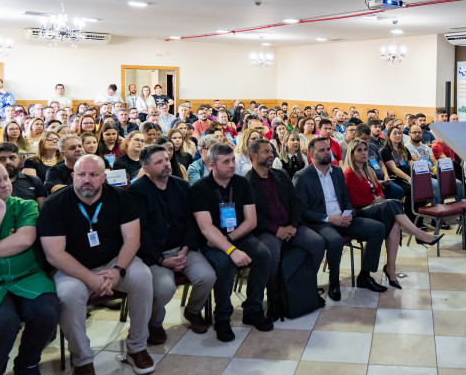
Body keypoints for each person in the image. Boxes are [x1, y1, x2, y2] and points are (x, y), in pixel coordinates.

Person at [38, 155, 155, 375]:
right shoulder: (55, 204)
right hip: (72, 267)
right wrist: (89, 279)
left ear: (104, 177)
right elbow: (54, 254)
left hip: (113, 261)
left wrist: (118, 270)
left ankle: (137, 347)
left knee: (142, 277)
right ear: (73, 177)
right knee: (69, 294)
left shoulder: (121, 198)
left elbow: (133, 239)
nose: (87, 180)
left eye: (93, 175)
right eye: (81, 175)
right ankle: (82, 359)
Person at [0, 162, 59, 375]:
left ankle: (27, 365)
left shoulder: (25, 205)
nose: (5, 184)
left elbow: (23, 240)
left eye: (5, 178)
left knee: (47, 312)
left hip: (26, 275)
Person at [129, 145, 215, 342]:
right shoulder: (136, 191)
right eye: (158, 162)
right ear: (146, 168)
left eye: (166, 160)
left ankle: (193, 311)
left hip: (183, 248)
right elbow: (139, 233)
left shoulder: (181, 186)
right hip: (155, 253)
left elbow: (191, 222)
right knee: (164, 288)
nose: (165, 164)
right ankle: (155, 322)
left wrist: (185, 249)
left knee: (207, 276)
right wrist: (160, 260)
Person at [190, 142, 273, 341]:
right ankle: (222, 317)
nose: (232, 165)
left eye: (233, 160)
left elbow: (251, 220)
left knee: (263, 254)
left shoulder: (242, 183)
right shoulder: (200, 189)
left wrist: (230, 240)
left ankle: (252, 309)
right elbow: (206, 228)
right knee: (225, 264)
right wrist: (228, 248)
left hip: (236, 235)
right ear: (212, 165)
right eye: (226, 162)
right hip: (211, 241)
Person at [292, 137, 387, 301]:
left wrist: (348, 213)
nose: (327, 152)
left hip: (343, 218)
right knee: (335, 241)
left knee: (378, 228)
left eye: (328, 149)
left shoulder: (336, 171)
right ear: (312, 154)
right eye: (322, 150)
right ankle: (334, 282)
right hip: (321, 221)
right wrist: (330, 218)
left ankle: (365, 275)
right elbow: (302, 211)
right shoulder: (302, 176)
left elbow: (345, 198)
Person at [344, 139, 442, 288]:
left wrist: (378, 199)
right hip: (361, 211)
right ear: (351, 154)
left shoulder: (369, 170)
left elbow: (378, 191)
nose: (364, 153)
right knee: (392, 203)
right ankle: (419, 235)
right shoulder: (349, 173)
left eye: (365, 149)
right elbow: (355, 199)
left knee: (395, 222)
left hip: (374, 207)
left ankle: (390, 269)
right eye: (359, 150)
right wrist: (374, 201)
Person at [245, 139, 325, 319]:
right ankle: (275, 297)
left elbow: (296, 202)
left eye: (271, 151)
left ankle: (303, 287)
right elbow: (253, 215)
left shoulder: (281, 175)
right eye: (265, 152)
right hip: (267, 230)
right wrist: (276, 229)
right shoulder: (247, 182)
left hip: (291, 226)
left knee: (317, 242)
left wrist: (294, 225)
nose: (271, 154)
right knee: (271, 252)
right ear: (253, 155)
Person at [0, 143, 47, 208]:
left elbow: (42, 210)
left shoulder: (34, 181)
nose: (8, 162)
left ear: (19, 159)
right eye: (2, 159)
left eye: (12, 158)